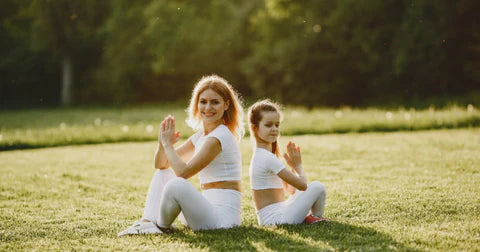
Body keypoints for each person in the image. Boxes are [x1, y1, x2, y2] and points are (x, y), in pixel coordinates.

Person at [118, 75, 244, 236]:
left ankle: (160, 227)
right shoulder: (201, 136)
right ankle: (146, 222)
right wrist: (162, 143)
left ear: (226, 105)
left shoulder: (219, 136)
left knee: (177, 184)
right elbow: (161, 164)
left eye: (215, 102)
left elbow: (184, 173)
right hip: (204, 212)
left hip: (222, 220)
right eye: (203, 101)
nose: (208, 107)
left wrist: (168, 145)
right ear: (196, 103)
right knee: (163, 174)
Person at [247, 99, 329, 226]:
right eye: (268, 125)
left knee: (312, 188)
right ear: (254, 128)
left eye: (277, 125)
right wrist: (298, 166)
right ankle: (314, 217)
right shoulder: (266, 158)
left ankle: (312, 218)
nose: (274, 129)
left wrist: (294, 170)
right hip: (276, 219)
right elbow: (303, 186)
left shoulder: (264, 155)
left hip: (279, 213)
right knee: (318, 186)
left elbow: (291, 190)